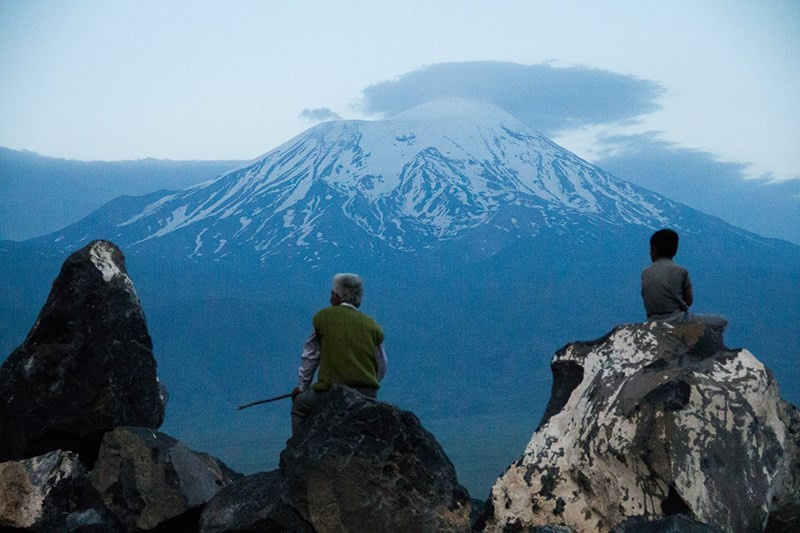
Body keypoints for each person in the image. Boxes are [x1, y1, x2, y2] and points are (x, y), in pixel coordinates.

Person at [290, 273, 387, 434]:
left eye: (332, 294)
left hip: (331, 392)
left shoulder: (323, 318)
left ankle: (299, 450)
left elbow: (310, 357)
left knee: (300, 407)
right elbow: (382, 364)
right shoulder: (372, 325)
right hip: (368, 393)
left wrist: (302, 387)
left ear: (336, 296)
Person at [641, 229, 728, 337]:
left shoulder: (645, 272)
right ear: (675, 250)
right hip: (677, 320)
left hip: (651, 320)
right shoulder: (681, 271)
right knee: (722, 322)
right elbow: (689, 301)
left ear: (653, 249)